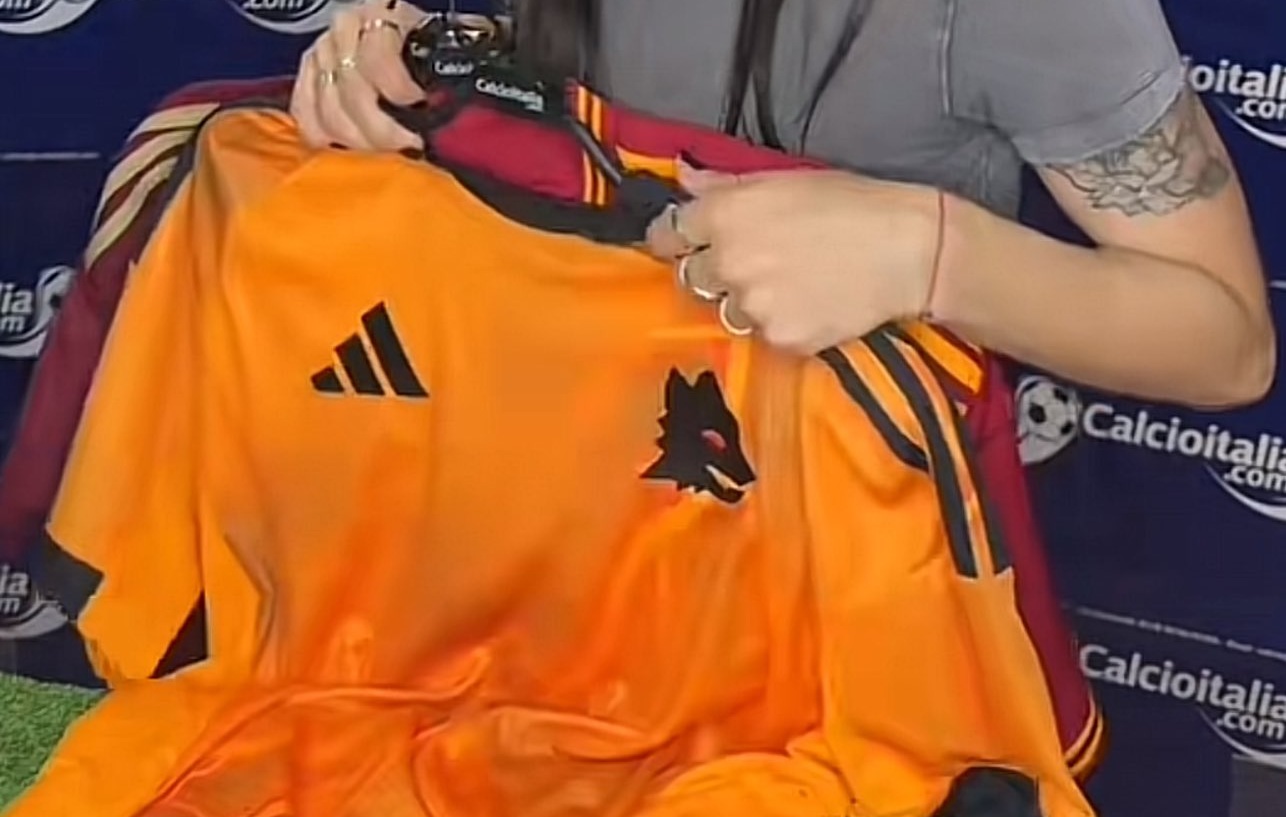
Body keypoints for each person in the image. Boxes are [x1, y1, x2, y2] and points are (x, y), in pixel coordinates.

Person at [292, 0, 1273, 409]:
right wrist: (403, 69)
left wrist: (928, 255)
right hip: (559, 514)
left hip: (834, 587)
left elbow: (1225, 345)